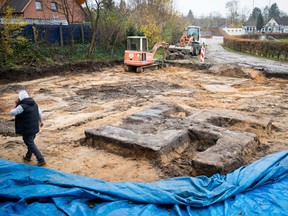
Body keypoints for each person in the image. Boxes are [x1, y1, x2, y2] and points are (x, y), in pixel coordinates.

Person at [10, 90, 46, 166]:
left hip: (27, 129)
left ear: (20, 98)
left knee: (29, 143)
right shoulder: (34, 104)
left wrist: (16, 104)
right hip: (34, 128)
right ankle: (28, 156)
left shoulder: (21, 106)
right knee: (30, 142)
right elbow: (39, 113)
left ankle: (41, 159)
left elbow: (11, 113)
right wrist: (41, 121)